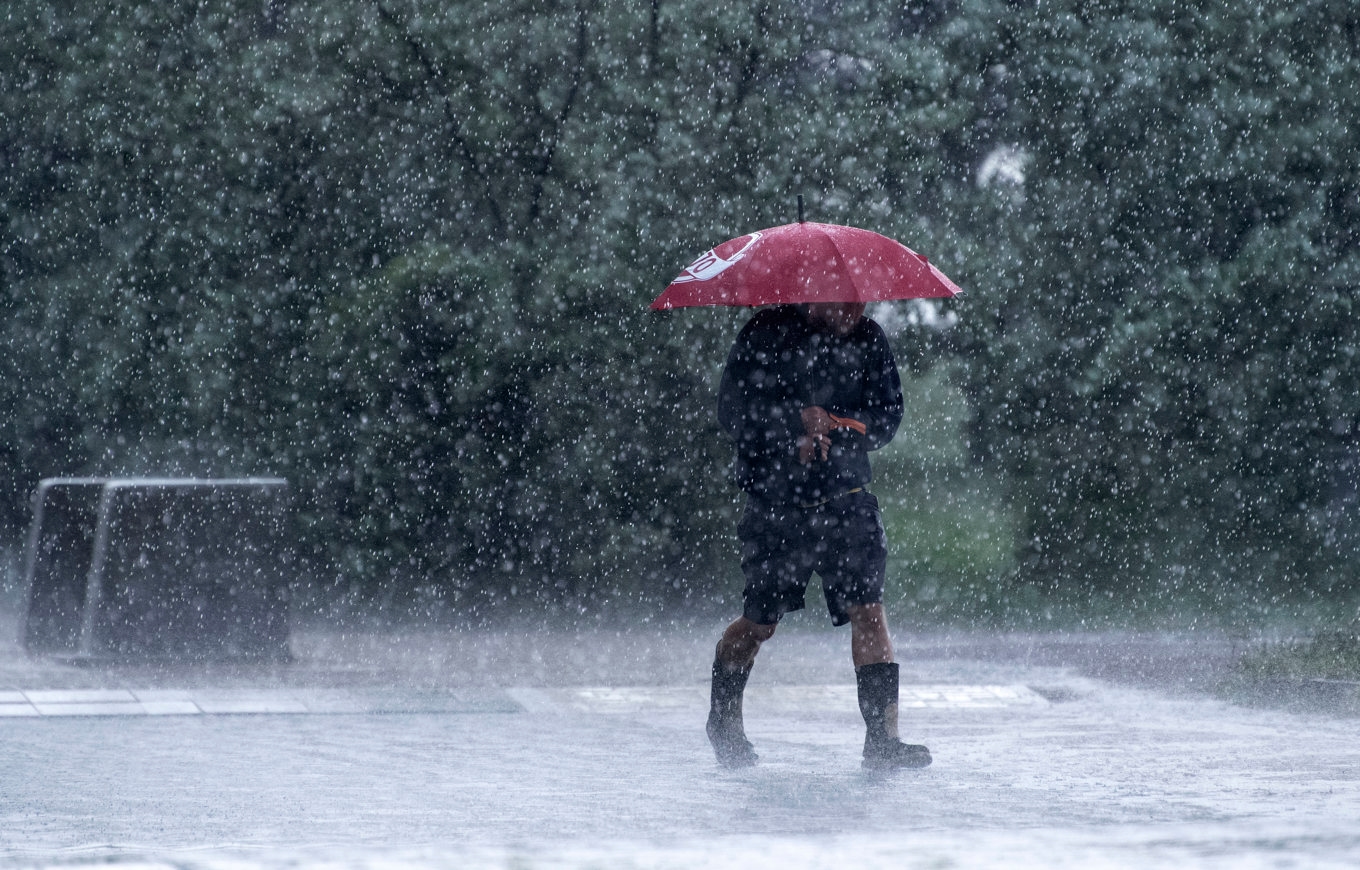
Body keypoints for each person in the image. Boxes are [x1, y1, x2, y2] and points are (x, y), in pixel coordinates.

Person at [706, 301, 932, 771]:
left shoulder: (869, 339)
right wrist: (794, 425)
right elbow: (733, 412)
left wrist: (837, 425)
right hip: (775, 507)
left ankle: (883, 741)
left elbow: (887, 417)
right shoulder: (764, 333)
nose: (857, 307)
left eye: (862, 298)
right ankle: (722, 718)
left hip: (848, 501)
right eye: (844, 297)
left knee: (868, 613)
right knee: (759, 624)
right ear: (817, 290)